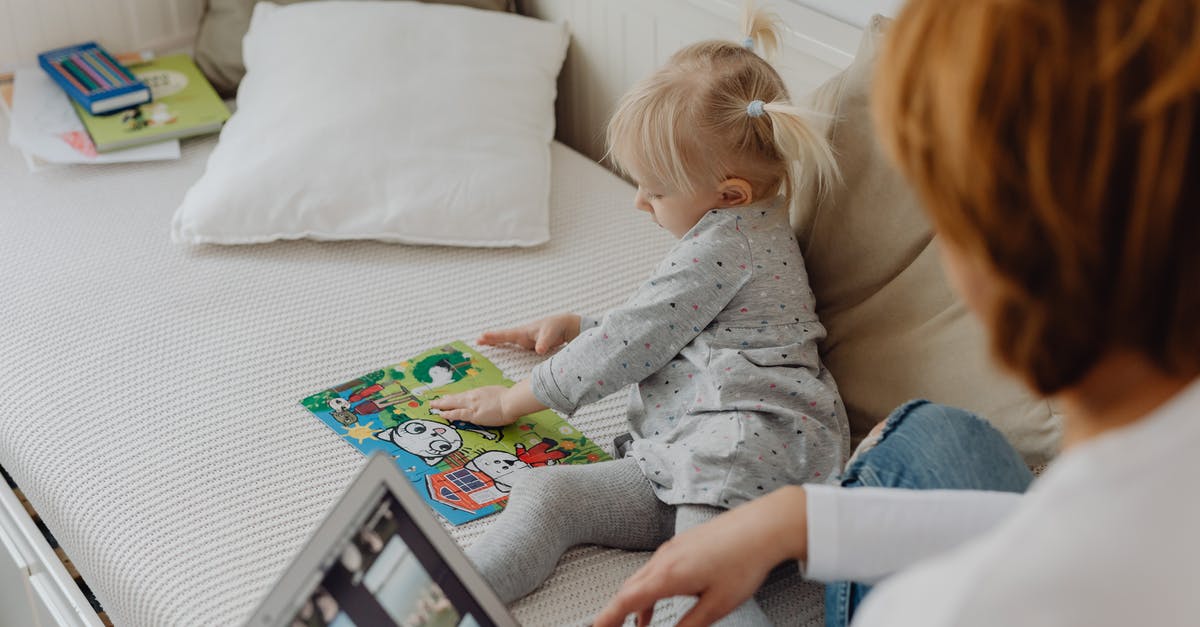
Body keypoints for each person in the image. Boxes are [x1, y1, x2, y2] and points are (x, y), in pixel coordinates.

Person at [593, 0, 1200, 625]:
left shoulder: (946, 607)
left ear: (995, 255)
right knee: (936, 430)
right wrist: (803, 520)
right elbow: (1063, 526)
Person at [429, 6, 849, 624]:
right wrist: (579, 326)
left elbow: (631, 340)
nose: (638, 203)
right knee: (549, 493)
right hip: (686, 454)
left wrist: (515, 400)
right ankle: (445, 606)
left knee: (689, 587)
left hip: (746, 451)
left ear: (729, 193)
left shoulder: (728, 246)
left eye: (654, 191)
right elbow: (673, 327)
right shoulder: (738, 229)